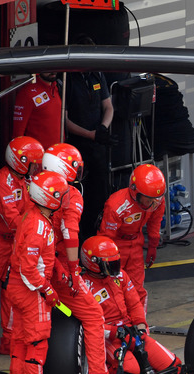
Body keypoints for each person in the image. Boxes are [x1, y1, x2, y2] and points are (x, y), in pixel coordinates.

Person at [43, 143, 115, 374]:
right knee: (94, 315)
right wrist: (72, 272)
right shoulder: (71, 195)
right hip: (56, 267)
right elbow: (69, 234)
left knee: (24, 330)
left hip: (27, 268)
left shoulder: (32, 189)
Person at [6, 171, 69, 374]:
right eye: (61, 195)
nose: (63, 199)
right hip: (31, 292)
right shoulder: (39, 226)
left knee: (21, 343)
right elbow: (27, 267)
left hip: (18, 289)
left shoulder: (30, 216)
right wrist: (47, 290)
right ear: (50, 198)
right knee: (37, 344)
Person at [80, 236, 179, 374]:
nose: (114, 268)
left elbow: (134, 304)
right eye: (109, 264)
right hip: (107, 336)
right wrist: (113, 332)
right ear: (93, 263)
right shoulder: (82, 285)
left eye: (115, 262)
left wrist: (140, 325)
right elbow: (83, 322)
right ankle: (105, 364)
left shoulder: (120, 275)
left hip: (130, 331)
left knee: (173, 365)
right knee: (129, 373)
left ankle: (136, 358)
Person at [0, 136, 44, 354]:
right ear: (20, 162)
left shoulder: (25, 180)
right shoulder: (3, 182)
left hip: (14, 242)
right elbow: (14, 220)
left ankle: (9, 341)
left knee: (12, 291)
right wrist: (36, 236)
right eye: (33, 164)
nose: (36, 169)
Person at [65, 35, 116, 241]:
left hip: (97, 143)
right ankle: (79, 236)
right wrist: (90, 135)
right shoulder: (68, 78)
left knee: (100, 191)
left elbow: (108, 106)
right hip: (77, 146)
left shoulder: (97, 75)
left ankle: (97, 234)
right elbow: (64, 120)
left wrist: (103, 128)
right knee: (78, 192)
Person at [98, 164, 166, 311]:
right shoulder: (116, 205)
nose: (152, 203)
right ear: (135, 192)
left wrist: (153, 245)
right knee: (112, 287)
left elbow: (155, 222)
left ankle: (141, 326)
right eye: (148, 199)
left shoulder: (157, 200)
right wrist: (107, 260)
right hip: (115, 245)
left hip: (136, 244)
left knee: (137, 290)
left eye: (156, 199)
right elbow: (105, 239)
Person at [13, 72, 64, 150]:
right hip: (36, 155)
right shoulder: (28, 92)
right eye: (47, 68)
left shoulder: (57, 88)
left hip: (57, 152)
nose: (53, 71)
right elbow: (18, 132)